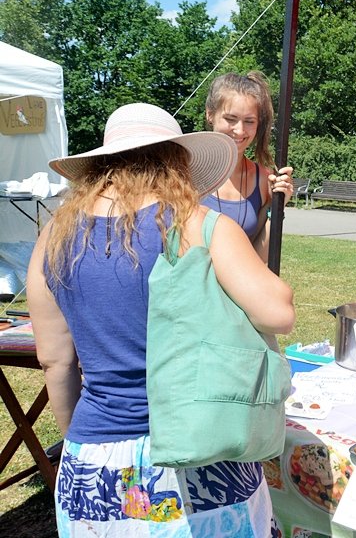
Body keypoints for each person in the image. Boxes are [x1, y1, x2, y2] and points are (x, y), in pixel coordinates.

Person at [27, 103, 295, 536]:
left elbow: (54, 361)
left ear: (99, 166)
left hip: (94, 457)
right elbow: (279, 311)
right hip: (202, 453)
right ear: (176, 161)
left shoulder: (53, 235)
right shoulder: (199, 224)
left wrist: (81, 443)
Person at [202, 71, 294, 262]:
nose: (240, 130)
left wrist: (276, 205)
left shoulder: (262, 179)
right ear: (210, 114)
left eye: (249, 121)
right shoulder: (184, 173)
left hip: (238, 291)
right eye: (230, 119)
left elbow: (258, 259)